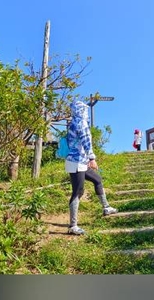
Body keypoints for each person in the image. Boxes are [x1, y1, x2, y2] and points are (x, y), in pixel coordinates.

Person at [64, 99, 117, 235]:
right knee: (78, 191)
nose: (86, 112)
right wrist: (92, 158)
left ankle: (106, 207)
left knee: (97, 179)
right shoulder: (81, 123)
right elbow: (86, 142)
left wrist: (86, 159)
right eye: (84, 110)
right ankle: (73, 226)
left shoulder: (73, 123)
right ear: (81, 111)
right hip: (76, 163)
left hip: (79, 161)